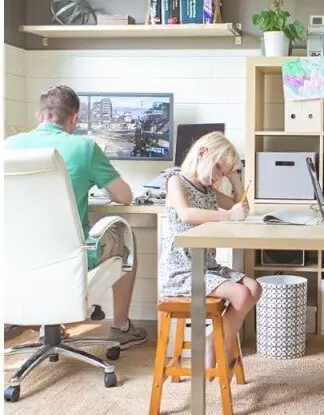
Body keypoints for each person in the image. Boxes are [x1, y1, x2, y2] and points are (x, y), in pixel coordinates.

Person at [4, 85, 147, 347]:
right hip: (71, 256)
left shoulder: (9, 146)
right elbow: (124, 196)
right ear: (75, 118)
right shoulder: (85, 147)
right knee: (126, 238)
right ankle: (121, 326)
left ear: (39, 115)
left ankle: (49, 323)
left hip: (19, 255)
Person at [158, 131, 262, 364]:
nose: (217, 177)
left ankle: (213, 341)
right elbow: (186, 214)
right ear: (202, 153)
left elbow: (242, 209)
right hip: (182, 271)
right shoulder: (176, 180)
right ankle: (221, 344)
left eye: (222, 173)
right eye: (217, 168)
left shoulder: (209, 192)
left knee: (254, 288)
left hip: (207, 267)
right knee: (241, 294)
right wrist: (227, 215)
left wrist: (234, 178)